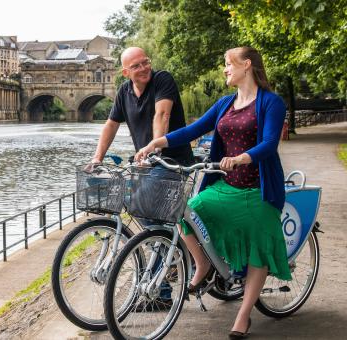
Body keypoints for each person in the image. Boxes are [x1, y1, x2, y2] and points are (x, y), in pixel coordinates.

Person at [135, 46, 292, 339]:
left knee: (259, 240)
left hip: (259, 189)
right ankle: (205, 263)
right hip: (226, 185)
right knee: (189, 213)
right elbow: (192, 130)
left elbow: (270, 143)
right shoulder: (224, 104)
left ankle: (244, 315)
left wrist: (243, 157)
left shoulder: (271, 102)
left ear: (246, 65)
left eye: (228, 64)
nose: (225, 69)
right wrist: (155, 144)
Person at [91, 47, 194, 311]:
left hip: (172, 161)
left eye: (146, 62)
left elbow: (162, 115)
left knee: (145, 209)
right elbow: (111, 125)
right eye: (136, 66)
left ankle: (162, 286)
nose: (144, 68)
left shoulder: (162, 80)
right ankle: (172, 258)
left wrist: (155, 149)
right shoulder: (124, 92)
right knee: (145, 217)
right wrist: (97, 158)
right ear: (126, 72)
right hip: (146, 164)